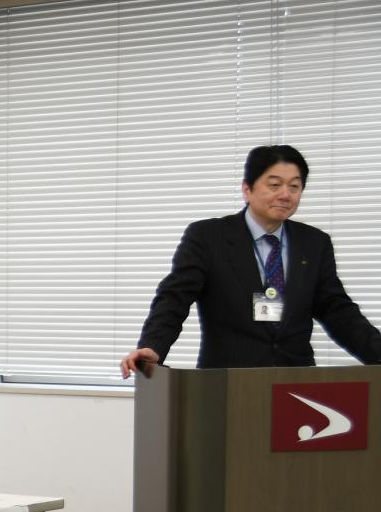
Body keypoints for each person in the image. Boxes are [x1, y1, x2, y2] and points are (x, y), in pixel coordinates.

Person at [122, 145, 381, 378]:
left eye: (294, 186)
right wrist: (153, 346)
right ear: (247, 189)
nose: (285, 194)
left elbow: (339, 312)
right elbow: (174, 298)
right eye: (274, 185)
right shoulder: (209, 237)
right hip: (226, 384)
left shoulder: (314, 243)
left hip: (295, 383)